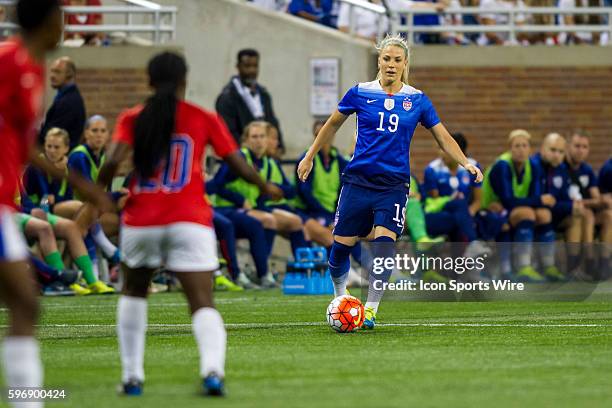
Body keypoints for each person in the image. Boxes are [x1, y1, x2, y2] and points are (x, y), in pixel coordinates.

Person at [95, 51, 281, 396]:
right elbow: (238, 164)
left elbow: (111, 164)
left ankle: (132, 378)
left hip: (141, 219)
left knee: (134, 293)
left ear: (149, 81)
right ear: (184, 81)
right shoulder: (201, 117)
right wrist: (265, 186)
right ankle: (212, 373)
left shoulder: (133, 118)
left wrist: (101, 194)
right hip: (189, 219)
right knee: (201, 301)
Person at [297, 34, 484, 330]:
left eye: (397, 60)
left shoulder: (417, 100)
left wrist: (465, 163)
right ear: (379, 61)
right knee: (340, 248)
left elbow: (442, 136)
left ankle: (370, 310)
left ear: (405, 64)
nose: (391, 65)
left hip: (394, 185)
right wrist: (309, 156)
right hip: (358, 181)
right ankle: (340, 298)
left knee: (384, 246)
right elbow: (332, 123)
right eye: (386, 59)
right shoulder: (360, 93)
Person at [0, 1, 110, 404]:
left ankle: (26, 397)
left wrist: (83, 185)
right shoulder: (8, 62)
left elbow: (25, 148)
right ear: (45, 23)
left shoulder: (29, 69)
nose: (62, 28)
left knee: (25, 303)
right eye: (59, 21)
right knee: (24, 301)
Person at [211, 121, 308, 288]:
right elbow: (216, 185)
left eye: (262, 136)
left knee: (295, 221)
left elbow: (285, 190)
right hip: (226, 208)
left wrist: (275, 191)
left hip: (249, 209)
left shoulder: (265, 161)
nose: (258, 141)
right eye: (254, 137)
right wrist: (240, 200)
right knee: (266, 220)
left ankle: (301, 273)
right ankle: (260, 272)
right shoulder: (239, 158)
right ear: (246, 140)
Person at [481, 130, 561, 282]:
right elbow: (508, 200)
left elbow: (535, 198)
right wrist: (539, 200)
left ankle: (548, 266)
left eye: (525, 145)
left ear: (530, 149)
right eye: (516, 146)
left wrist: (538, 201)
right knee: (527, 213)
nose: (521, 149)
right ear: (509, 149)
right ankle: (523, 266)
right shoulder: (502, 166)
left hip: (513, 209)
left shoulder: (533, 166)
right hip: (489, 212)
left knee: (544, 214)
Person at [533, 133, 587, 277]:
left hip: (555, 212)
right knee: (545, 213)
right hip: (536, 215)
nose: (557, 155)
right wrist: (568, 206)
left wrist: (573, 206)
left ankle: (573, 268)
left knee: (577, 217)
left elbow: (562, 197)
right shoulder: (534, 166)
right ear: (543, 148)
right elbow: (540, 201)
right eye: (553, 150)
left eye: (561, 151)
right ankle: (541, 265)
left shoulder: (561, 168)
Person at [215, 49, 284, 151]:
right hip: (242, 159)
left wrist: (279, 147)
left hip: (265, 156)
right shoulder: (227, 97)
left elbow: (273, 123)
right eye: (247, 66)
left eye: (255, 66)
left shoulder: (263, 94)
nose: (252, 71)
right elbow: (228, 133)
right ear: (238, 67)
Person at [565, 130, 612, 275]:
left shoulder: (587, 169)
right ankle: (587, 262)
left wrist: (604, 200)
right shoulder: (561, 168)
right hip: (566, 214)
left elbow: (597, 198)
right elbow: (567, 202)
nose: (581, 150)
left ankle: (604, 265)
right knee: (586, 215)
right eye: (577, 146)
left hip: (585, 211)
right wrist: (593, 202)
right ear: (568, 146)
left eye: (585, 147)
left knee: (609, 215)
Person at [38, 56, 86, 149]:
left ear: (70, 75)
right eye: (52, 71)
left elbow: (52, 135)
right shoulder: (65, 97)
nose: (52, 75)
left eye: (57, 72)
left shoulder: (69, 102)